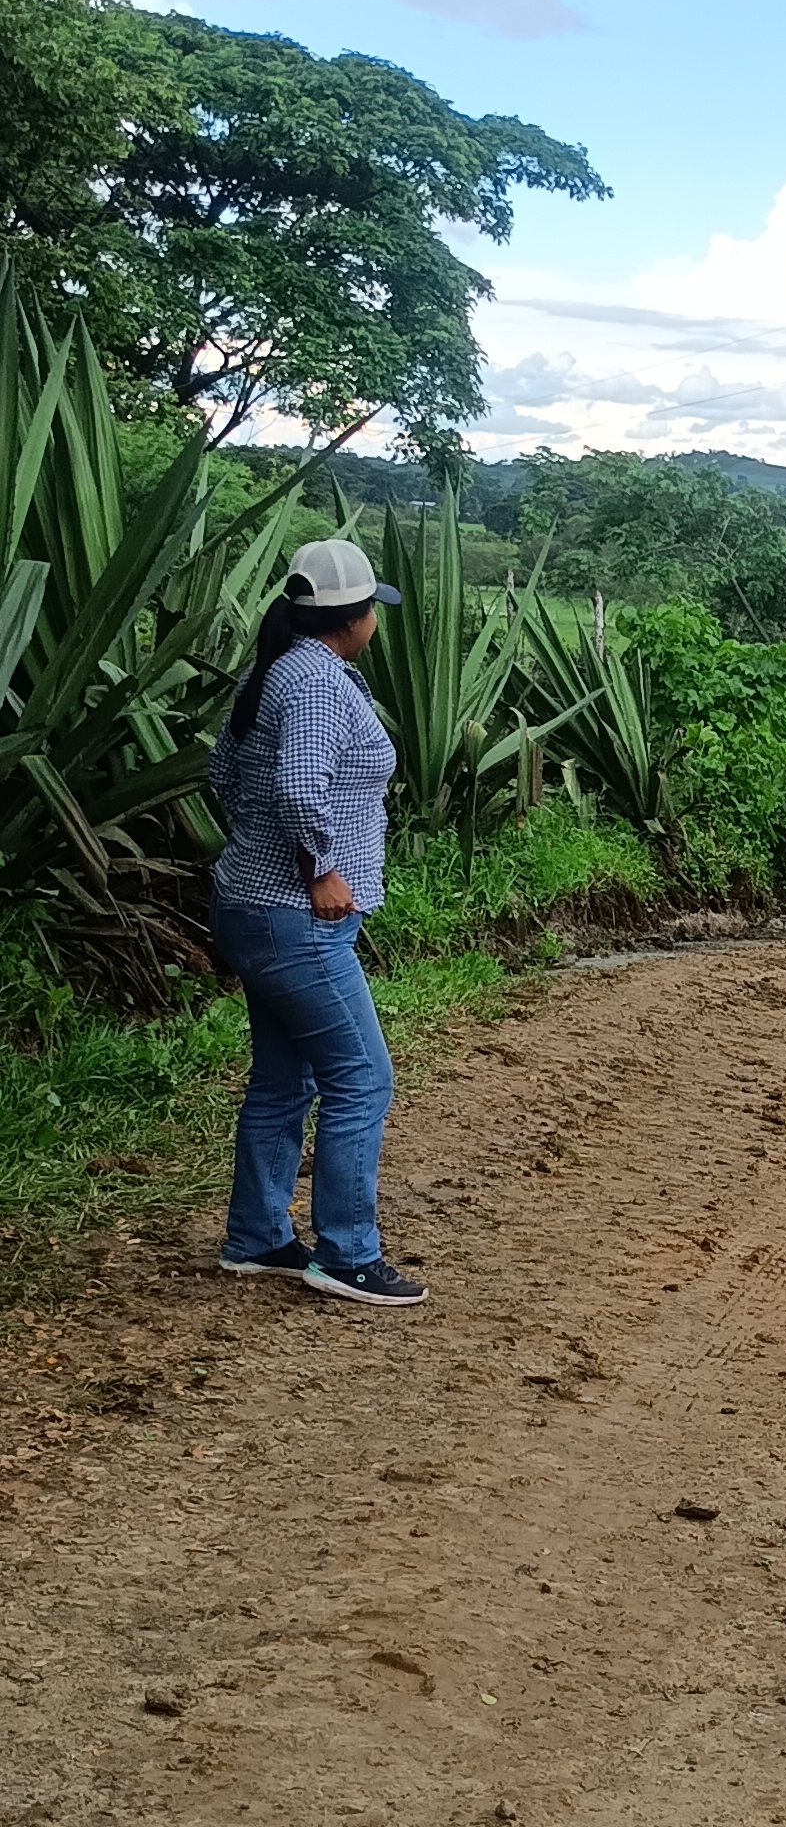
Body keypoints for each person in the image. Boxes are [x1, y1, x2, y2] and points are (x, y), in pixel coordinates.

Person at [208, 535, 427, 1308]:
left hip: (253, 906)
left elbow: (221, 771)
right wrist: (319, 869)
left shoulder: (277, 669)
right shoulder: (317, 686)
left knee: (283, 1079)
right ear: (354, 616)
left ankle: (258, 1237)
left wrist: (261, 850)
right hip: (294, 917)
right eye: (374, 610)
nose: (377, 622)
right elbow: (300, 788)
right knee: (362, 1078)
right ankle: (347, 1254)